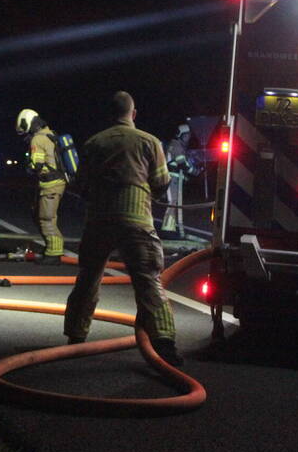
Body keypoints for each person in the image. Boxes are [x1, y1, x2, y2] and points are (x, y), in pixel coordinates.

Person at [63, 91, 182, 366]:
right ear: (134, 114)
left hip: (99, 221)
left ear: (109, 114)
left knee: (89, 277)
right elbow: (162, 183)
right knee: (148, 280)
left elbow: (80, 185)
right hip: (137, 221)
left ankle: (75, 336)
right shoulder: (150, 142)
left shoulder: (94, 143)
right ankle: (165, 344)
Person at [15, 108, 66, 266]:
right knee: (42, 215)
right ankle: (51, 249)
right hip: (55, 183)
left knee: (46, 219)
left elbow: (36, 164)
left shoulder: (37, 139)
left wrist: (28, 166)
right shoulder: (50, 134)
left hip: (50, 185)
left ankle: (54, 253)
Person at [160, 123, 196, 238]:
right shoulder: (176, 145)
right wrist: (195, 171)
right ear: (181, 135)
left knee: (174, 202)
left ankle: (171, 227)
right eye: (186, 136)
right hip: (172, 178)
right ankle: (167, 229)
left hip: (174, 178)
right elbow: (182, 163)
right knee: (172, 202)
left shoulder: (177, 145)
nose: (187, 138)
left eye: (189, 136)